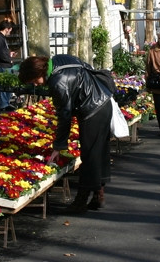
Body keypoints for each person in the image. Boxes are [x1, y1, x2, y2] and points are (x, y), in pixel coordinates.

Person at [18, 54, 112, 214]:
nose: (36, 84)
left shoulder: (57, 83)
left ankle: (81, 200)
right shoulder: (58, 60)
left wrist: (59, 146)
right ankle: (98, 196)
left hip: (91, 110)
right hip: (104, 101)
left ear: (39, 72)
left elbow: (64, 116)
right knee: (100, 152)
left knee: (89, 156)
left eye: (34, 80)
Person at [0, 19, 17, 112]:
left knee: (7, 85)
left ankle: (6, 103)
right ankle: (3, 105)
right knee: (3, 85)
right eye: (10, 30)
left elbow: (2, 52)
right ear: (7, 29)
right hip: (3, 65)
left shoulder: (1, 38)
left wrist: (9, 54)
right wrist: (8, 59)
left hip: (6, 64)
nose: (10, 32)